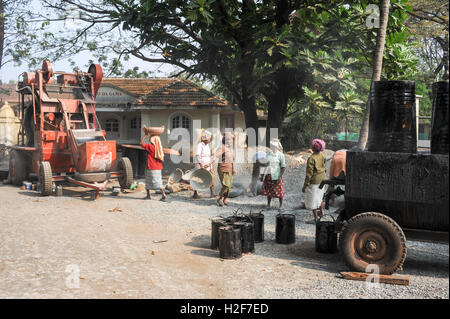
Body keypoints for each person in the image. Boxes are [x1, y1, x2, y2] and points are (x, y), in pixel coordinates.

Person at [302, 138, 327, 222]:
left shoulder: (311, 158)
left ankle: (316, 218)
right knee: (320, 197)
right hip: (322, 180)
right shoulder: (322, 156)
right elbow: (325, 168)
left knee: (313, 199)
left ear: (313, 148)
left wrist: (305, 185)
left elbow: (309, 174)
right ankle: (322, 213)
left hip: (314, 181)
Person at [141, 131, 167, 201]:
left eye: (150, 138)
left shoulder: (151, 147)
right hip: (158, 167)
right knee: (158, 181)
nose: (149, 139)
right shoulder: (159, 148)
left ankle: (148, 195)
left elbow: (142, 143)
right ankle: (163, 194)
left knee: (148, 181)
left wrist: (145, 135)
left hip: (151, 166)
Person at [261, 138, 286, 208]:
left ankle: (280, 205)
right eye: (271, 146)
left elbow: (283, 167)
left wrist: (279, 177)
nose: (272, 147)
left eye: (274, 146)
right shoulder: (268, 155)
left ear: (277, 147)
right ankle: (268, 204)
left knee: (280, 192)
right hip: (268, 176)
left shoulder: (281, 155)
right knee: (269, 191)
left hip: (277, 176)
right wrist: (262, 175)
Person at [192, 130, 216, 199]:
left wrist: (210, 165)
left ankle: (212, 193)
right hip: (201, 165)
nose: (209, 140)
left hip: (208, 165)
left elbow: (208, 156)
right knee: (197, 179)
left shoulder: (207, 146)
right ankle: (195, 194)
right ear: (205, 139)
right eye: (209, 139)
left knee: (211, 178)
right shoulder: (200, 145)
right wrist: (201, 164)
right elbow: (197, 155)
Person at [215, 132, 236, 206]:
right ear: (226, 140)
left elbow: (232, 161)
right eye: (229, 139)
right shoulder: (222, 147)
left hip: (229, 169)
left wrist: (233, 169)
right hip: (223, 169)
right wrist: (209, 163)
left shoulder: (231, 149)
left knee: (229, 186)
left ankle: (224, 200)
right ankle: (219, 198)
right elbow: (215, 156)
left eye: (231, 140)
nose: (231, 141)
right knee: (226, 185)